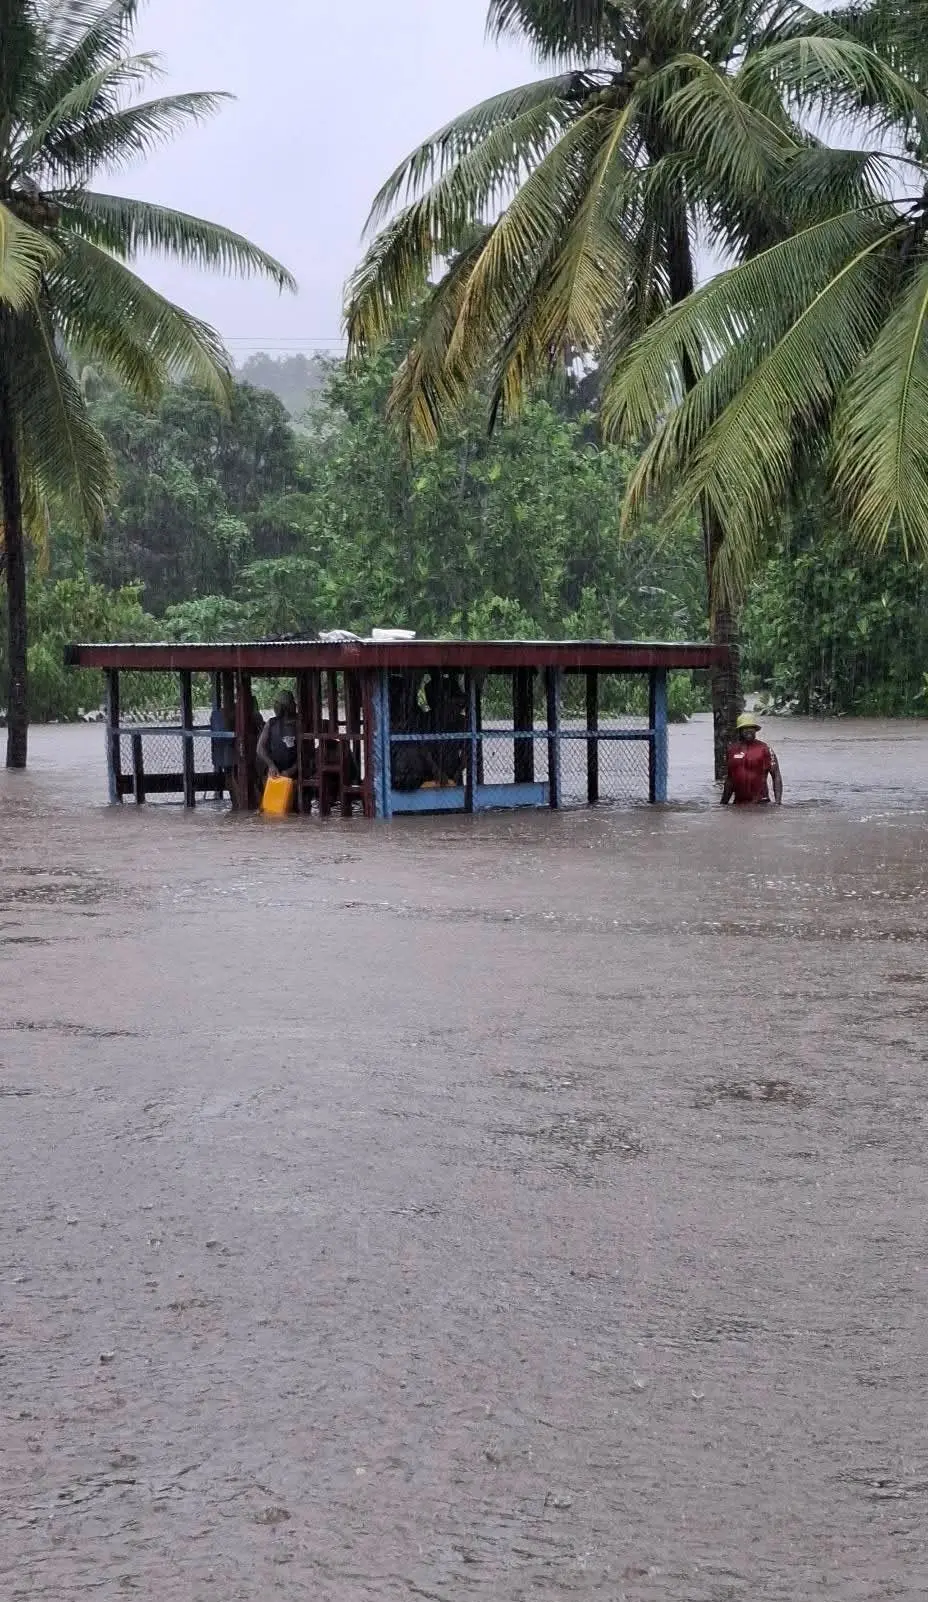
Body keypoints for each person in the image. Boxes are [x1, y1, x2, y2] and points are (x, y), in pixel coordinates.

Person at [721, 712, 782, 806]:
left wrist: (778, 803)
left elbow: (776, 776)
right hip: (738, 804)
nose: (748, 730)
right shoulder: (732, 750)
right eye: (745, 728)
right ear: (740, 730)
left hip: (761, 804)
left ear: (755, 730)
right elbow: (730, 780)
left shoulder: (765, 749)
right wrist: (723, 804)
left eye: (751, 728)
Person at [257, 690, 298, 780]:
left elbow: (306, 753)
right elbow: (260, 748)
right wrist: (271, 765)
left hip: (297, 774)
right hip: (275, 773)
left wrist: (291, 770)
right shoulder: (271, 723)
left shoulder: (299, 723)